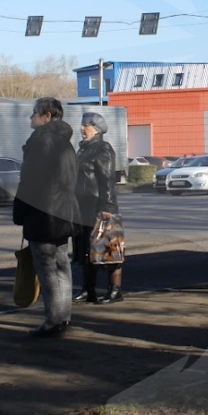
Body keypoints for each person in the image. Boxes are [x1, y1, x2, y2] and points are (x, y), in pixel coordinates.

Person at [13, 97, 79, 337]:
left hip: (43, 216)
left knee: (48, 270)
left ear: (47, 116)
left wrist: (19, 212)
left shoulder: (42, 143)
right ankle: (62, 318)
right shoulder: (65, 143)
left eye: (35, 113)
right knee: (62, 267)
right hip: (62, 216)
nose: (31, 117)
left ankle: (54, 321)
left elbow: (29, 184)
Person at [73, 111, 124, 305]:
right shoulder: (83, 149)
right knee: (86, 248)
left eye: (85, 125)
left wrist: (107, 206)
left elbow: (107, 179)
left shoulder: (103, 149)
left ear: (96, 129)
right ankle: (88, 289)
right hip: (82, 207)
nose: (81, 128)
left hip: (98, 206)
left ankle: (115, 290)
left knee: (109, 246)